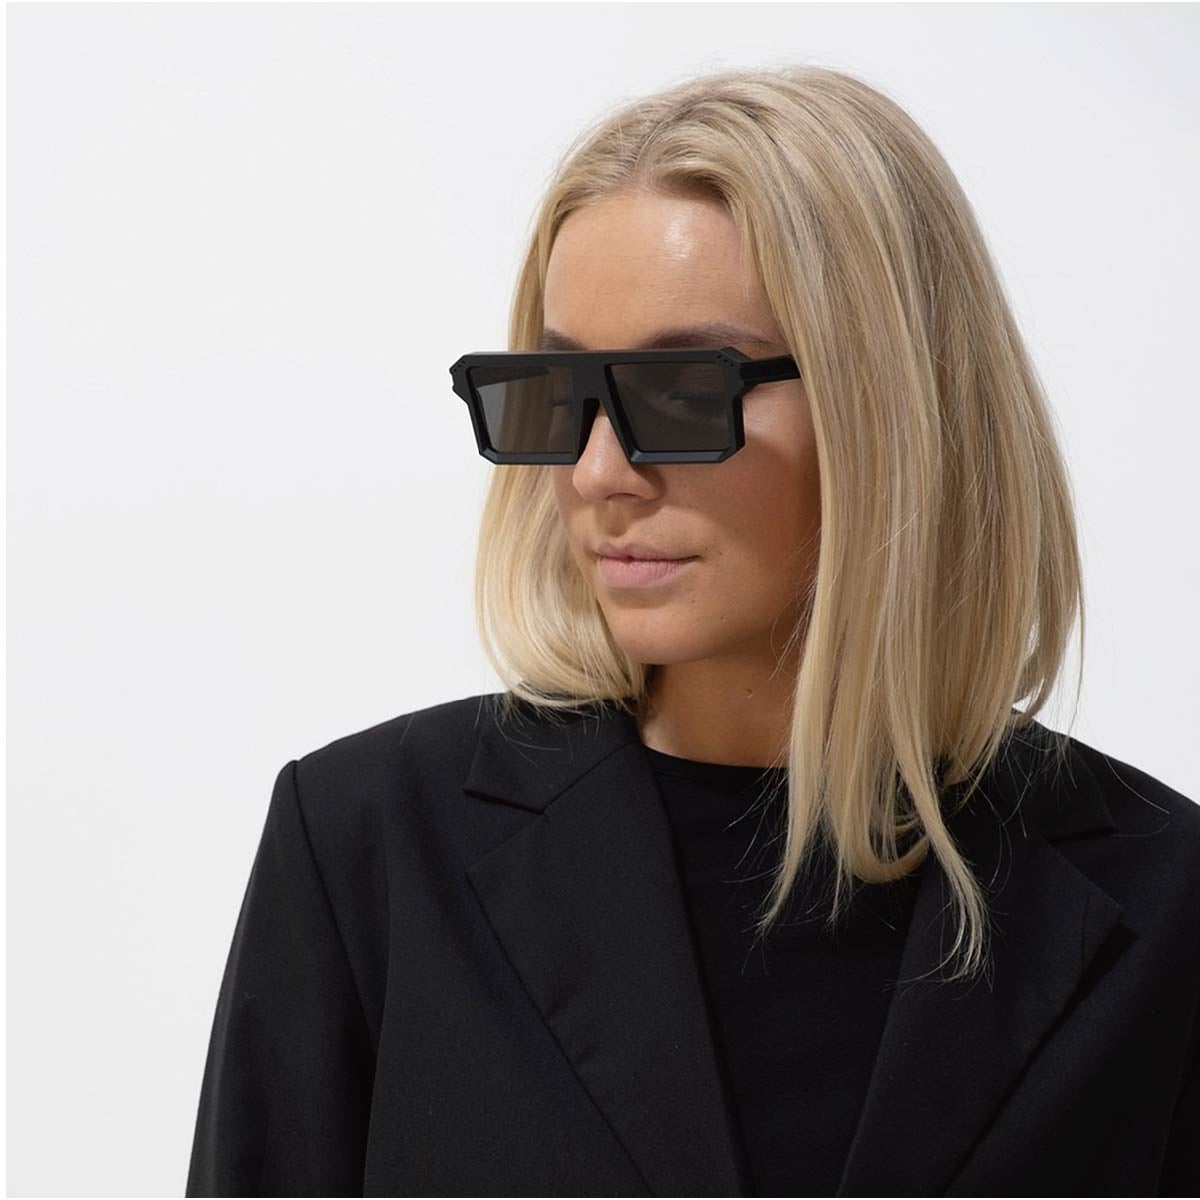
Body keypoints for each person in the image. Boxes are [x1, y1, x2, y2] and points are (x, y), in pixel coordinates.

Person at [185, 65, 1199, 1197]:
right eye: (557, 391)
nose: (597, 472)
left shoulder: (1164, 896)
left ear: (892, 405)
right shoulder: (370, 846)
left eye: (678, 391)